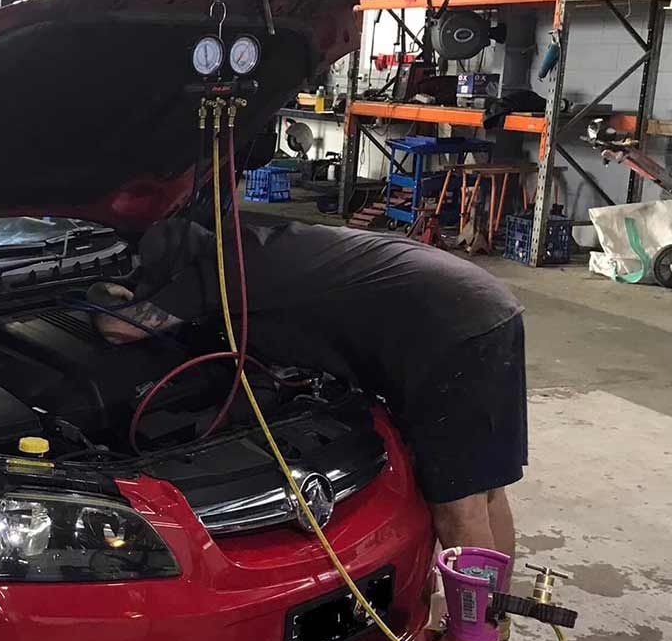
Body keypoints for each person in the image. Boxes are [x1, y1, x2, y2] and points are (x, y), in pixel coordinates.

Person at [90, 217, 526, 573]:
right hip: (487, 305)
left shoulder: (222, 267)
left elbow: (120, 328)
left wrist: (95, 294)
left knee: (457, 506)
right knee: (486, 487)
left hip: (450, 336)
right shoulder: (258, 241)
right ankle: (497, 624)